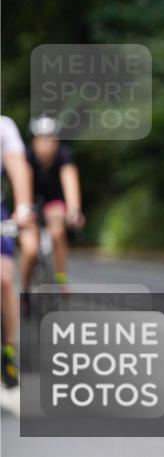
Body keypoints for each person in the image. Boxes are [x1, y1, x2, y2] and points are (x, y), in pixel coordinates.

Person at [23, 116, 85, 292]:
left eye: (50, 140)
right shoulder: (26, 156)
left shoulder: (63, 155)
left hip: (54, 202)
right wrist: (26, 210)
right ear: (34, 142)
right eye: (41, 140)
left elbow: (70, 181)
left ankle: (61, 278)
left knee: (57, 233)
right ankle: (26, 289)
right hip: (30, 201)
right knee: (30, 250)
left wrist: (74, 210)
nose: (46, 145)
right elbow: (24, 184)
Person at [1, 115, 36, 388]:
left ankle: (8, 351)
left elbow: (18, 169)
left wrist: (23, 207)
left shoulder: (4, 126)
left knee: (3, 277)